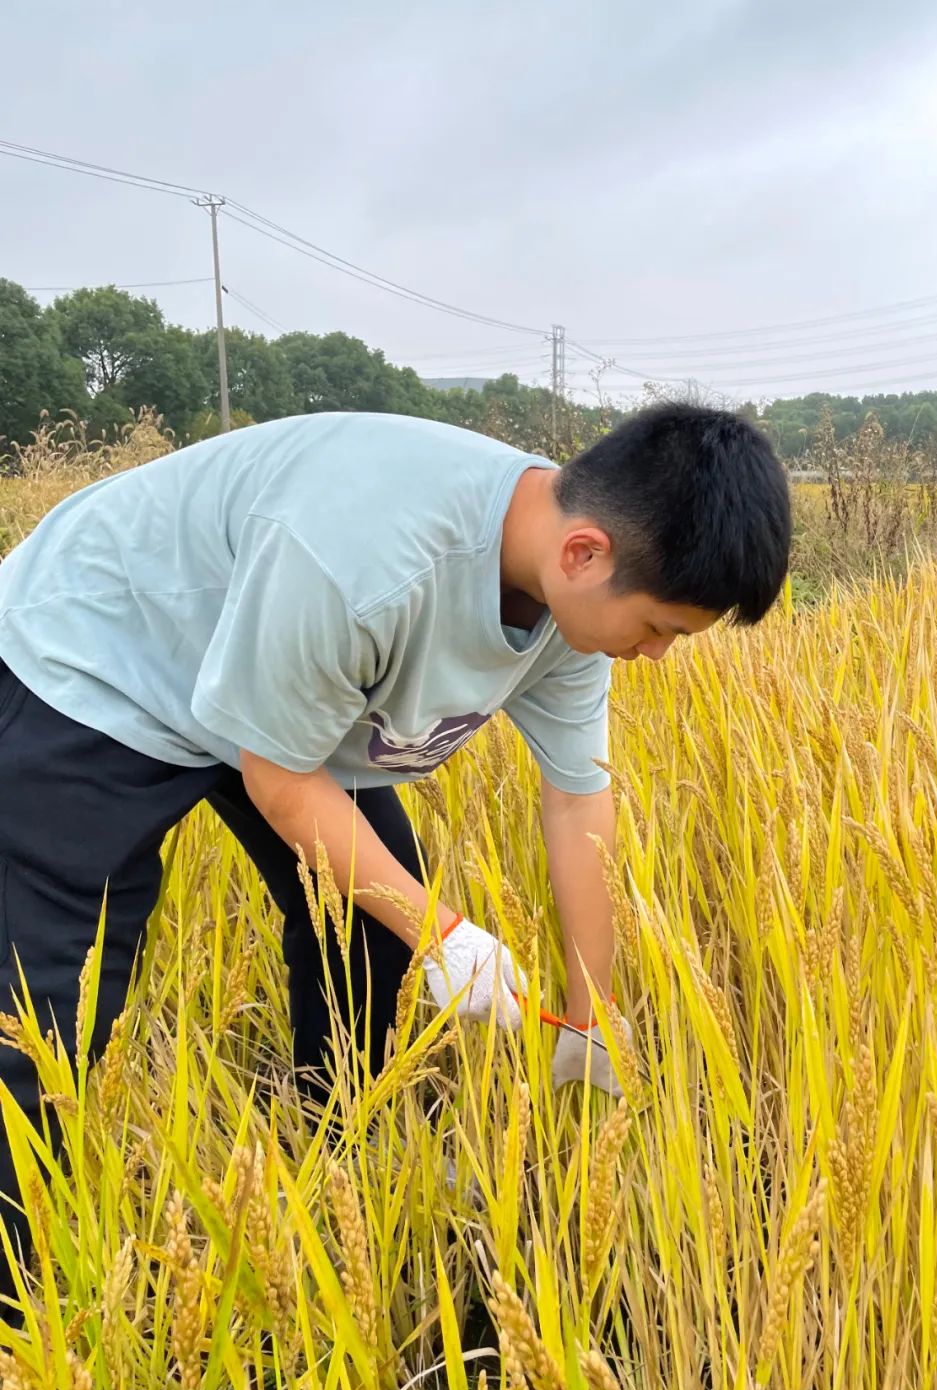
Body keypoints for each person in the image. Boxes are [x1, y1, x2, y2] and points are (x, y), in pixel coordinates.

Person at [0, 400, 791, 1303]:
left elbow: (579, 797)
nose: (654, 655)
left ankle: (337, 1158)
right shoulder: (365, 561)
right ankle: (19, 1314)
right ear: (586, 555)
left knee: (374, 936)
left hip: (286, 691)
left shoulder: (573, 592)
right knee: (39, 1008)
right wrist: (451, 934)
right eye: (661, 630)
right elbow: (281, 778)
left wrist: (592, 1012)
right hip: (105, 653)